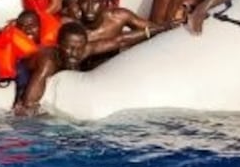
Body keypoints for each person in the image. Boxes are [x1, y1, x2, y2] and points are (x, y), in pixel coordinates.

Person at [14, 22, 160, 114]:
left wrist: (161, 28)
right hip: (26, 72)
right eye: (69, 48)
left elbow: (119, 40)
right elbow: (29, 104)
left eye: (79, 48)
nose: (74, 54)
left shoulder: (83, 50)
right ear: (59, 45)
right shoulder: (48, 63)